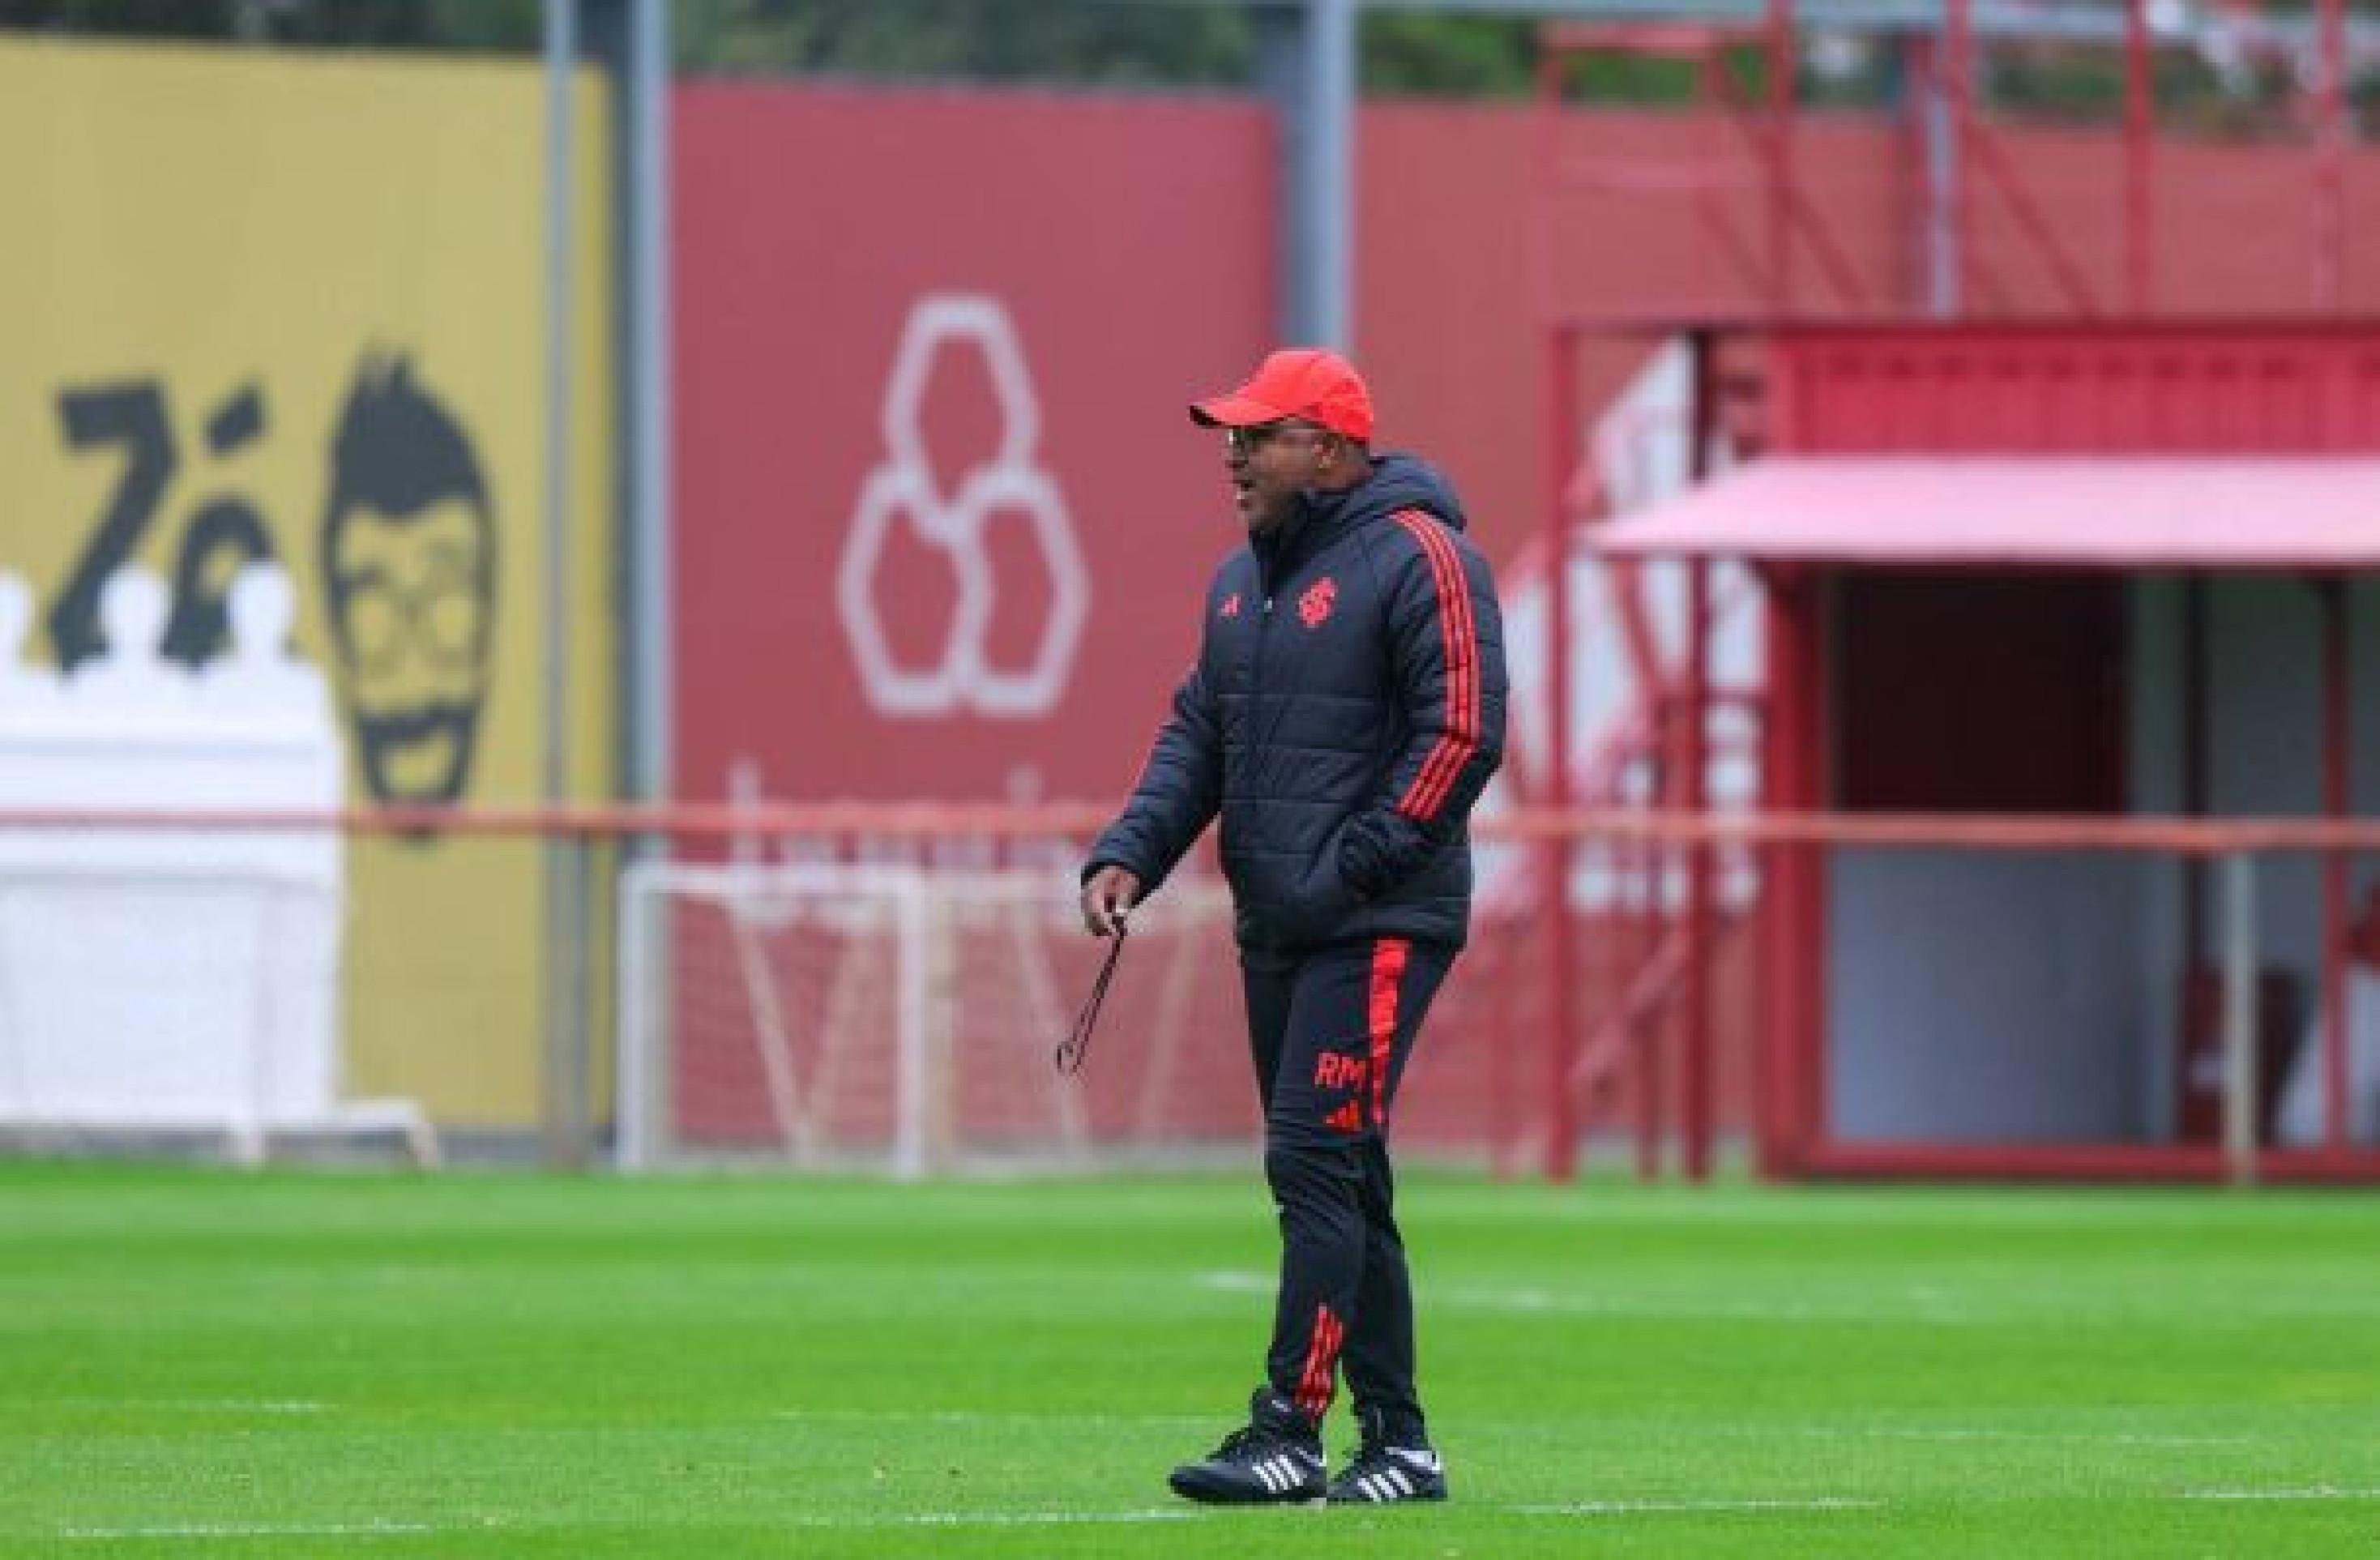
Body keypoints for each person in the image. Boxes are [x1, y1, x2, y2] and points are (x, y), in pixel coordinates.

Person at [1079, 348, 1506, 1506]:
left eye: (1258, 435)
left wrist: (1352, 867)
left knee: (1311, 1158)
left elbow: (1463, 731)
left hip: (1377, 922)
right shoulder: (1241, 583)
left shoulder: (1423, 555)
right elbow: (1198, 733)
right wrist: (1132, 849)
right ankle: (1401, 1445)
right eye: (1233, 435)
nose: (1234, 456)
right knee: (1344, 1172)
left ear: (1329, 446)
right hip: (1279, 920)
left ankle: (1289, 1430)